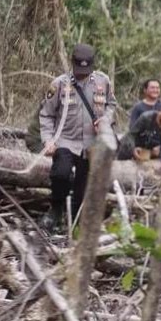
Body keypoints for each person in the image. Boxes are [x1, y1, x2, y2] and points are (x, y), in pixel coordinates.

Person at [39, 44, 117, 232]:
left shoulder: (103, 82)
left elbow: (111, 105)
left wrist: (105, 120)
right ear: (72, 63)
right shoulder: (59, 84)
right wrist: (48, 140)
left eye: (86, 70)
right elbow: (47, 114)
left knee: (83, 184)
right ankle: (56, 209)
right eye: (79, 69)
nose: (82, 74)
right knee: (60, 173)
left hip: (91, 144)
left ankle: (75, 220)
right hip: (65, 140)